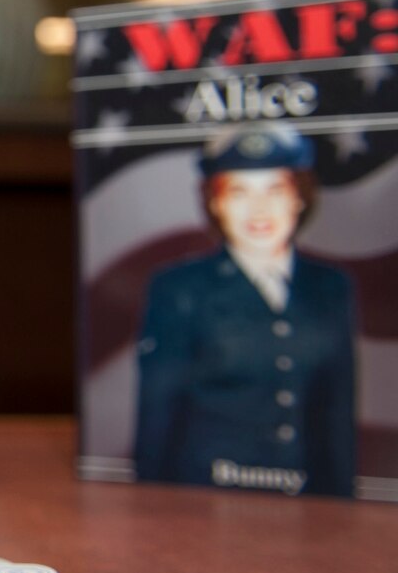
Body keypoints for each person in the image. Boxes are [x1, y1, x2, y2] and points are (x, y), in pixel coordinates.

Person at [134, 123, 357, 497]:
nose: (259, 209)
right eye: (239, 192)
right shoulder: (179, 288)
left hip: (310, 504)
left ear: (298, 198)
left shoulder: (330, 287)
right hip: (202, 499)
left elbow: (336, 414)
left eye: (275, 190)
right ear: (216, 203)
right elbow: (159, 417)